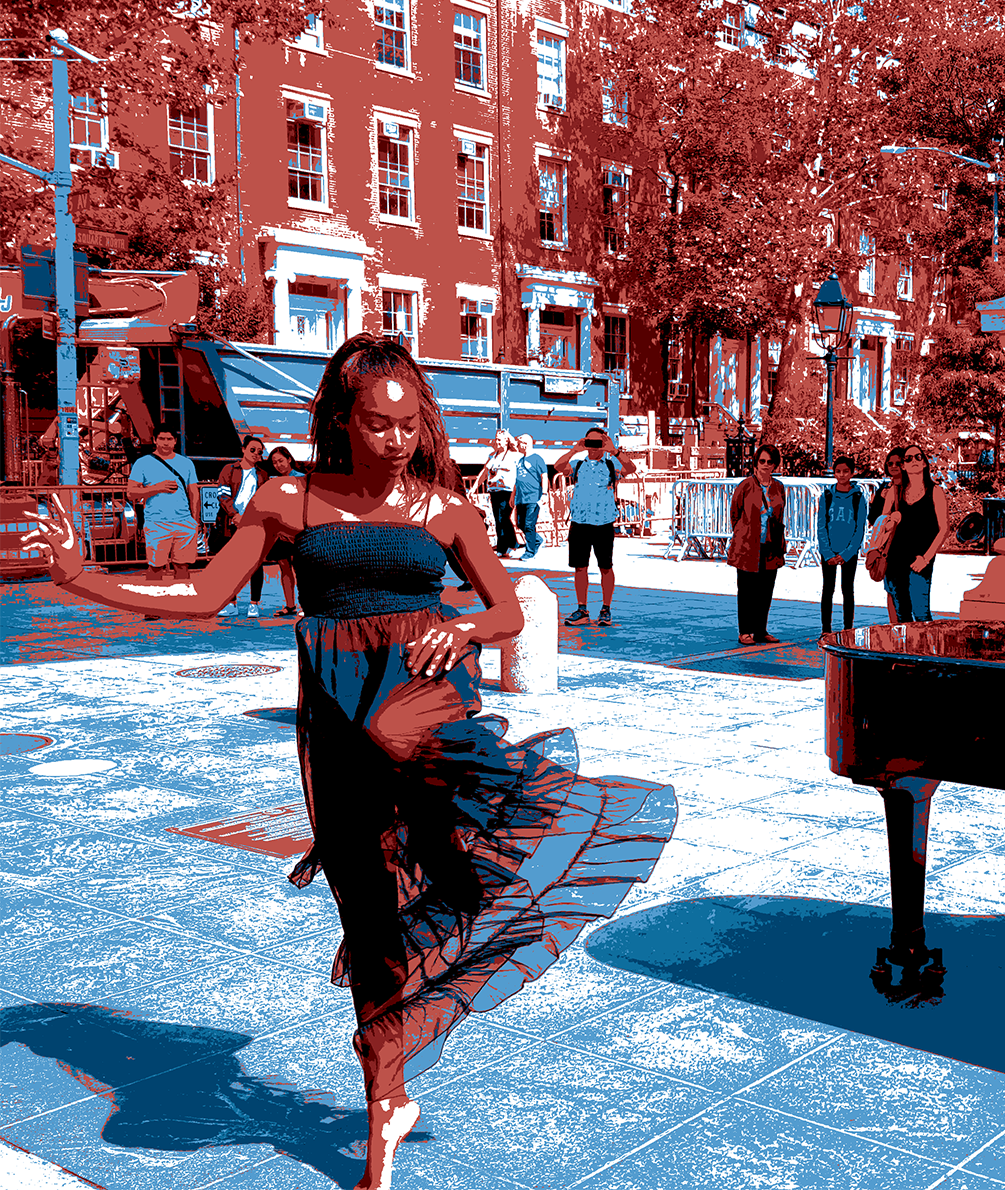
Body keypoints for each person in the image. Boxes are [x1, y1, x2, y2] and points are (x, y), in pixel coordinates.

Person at [23, 334, 676, 1190]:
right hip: (336, 728)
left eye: (409, 425)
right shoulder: (287, 501)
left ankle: (458, 896)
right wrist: (81, 579)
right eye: (377, 425)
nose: (396, 440)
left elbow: (509, 610)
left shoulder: (445, 511)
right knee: (369, 913)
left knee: (444, 847)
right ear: (341, 419)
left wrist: (466, 627)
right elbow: (202, 594)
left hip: (425, 712)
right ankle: (385, 1103)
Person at [554, 427, 637, 627]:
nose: (593, 447)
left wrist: (614, 450)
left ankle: (605, 609)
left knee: (605, 567)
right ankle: (582, 609)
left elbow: (631, 468)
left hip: (603, 523)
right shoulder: (578, 463)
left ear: (604, 442)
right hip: (580, 523)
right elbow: (558, 467)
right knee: (580, 567)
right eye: (589, 442)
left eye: (597, 442)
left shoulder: (611, 464)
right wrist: (574, 450)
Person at [125, 425, 201, 594]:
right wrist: (157, 488)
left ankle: (180, 604)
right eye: (161, 439)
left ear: (175, 441)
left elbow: (194, 492)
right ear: (154, 440)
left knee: (182, 566)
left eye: (169, 439)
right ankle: (153, 605)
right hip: (157, 523)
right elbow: (131, 493)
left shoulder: (186, 463)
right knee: (155, 566)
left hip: (184, 522)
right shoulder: (143, 463)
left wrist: (195, 521)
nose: (165, 443)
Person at [882, 444, 951, 623]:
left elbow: (944, 529)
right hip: (896, 560)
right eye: (909, 458)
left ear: (925, 464)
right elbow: (882, 527)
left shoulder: (935, 491)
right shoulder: (894, 492)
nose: (914, 461)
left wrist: (926, 558)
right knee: (902, 616)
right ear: (903, 466)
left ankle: (926, 652)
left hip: (919, 560)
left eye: (918, 457)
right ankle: (905, 651)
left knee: (921, 615)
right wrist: (892, 520)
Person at [727, 443, 787, 645]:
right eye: (762, 461)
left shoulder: (779, 487)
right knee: (746, 590)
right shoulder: (746, 485)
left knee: (766, 590)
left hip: (771, 545)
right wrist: (742, 532)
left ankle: (761, 630)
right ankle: (745, 630)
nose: (766, 465)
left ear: (775, 464)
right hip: (747, 544)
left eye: (770, 462)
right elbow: (734, 513)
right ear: (756, 462)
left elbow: (780, 513)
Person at [213, 435, 268, 617]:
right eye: (252, 450)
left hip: (254, 524)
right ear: (243, 449)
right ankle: (231, 602)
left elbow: (265, 501)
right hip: (231, 523)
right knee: (230, 564)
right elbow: (222, 494)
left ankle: (254, 603)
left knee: (255, 564)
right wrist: (234, 515)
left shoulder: (262, 474)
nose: (255, 454)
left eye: (259, 452)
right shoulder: (228, 470)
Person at [818, 455, 867, 636]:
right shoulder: (827, 496)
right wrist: (827, 552)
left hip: (849, 552)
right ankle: (826, 629)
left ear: (852, 472)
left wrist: (847, 553)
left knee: (847, 589)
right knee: (827, 589)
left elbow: (859, 529)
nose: (842, 475)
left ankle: (847, 628)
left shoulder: (858, 498)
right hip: (828, 551)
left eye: (846, 471)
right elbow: (821, 525)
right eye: (838, 471)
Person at [868, 446, 905, 624]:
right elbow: (873, 519)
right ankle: (895, 627)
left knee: (906, 591)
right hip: (888, 547)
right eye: (890, 463)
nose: (894, 466)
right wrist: (881, 500)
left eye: (898, 463)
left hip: (906, 545)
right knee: (890, 589)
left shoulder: (913, 489)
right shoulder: (884, 489)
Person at [266, 446, 305, 616]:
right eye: (274, 463)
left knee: (302, 568)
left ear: (289, 459)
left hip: (299, 531)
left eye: (281, 461)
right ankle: (290, 606)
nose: (278, 465)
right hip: (281, 532)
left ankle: (305, 605)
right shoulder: (273, 481)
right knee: (284, 566)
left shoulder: (302, 479)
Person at [472, 430, 519, 557]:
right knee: (498, 519)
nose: (496, 442)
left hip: (507, 491)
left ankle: (508, 546)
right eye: (496, 439)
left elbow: (519, 475)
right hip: (494, 491)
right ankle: (507, 545)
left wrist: (517, 492)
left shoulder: (514, 456)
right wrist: (474, 486)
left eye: (499, 440)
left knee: (503, 518)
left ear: (506, 441)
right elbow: (484, 472)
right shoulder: (493, 456)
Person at [513, 433, 548, 560]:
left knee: (529, 524)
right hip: (521, 498)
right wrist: (513, 497)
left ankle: (530, 552)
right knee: (521, 524)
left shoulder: (537, 459)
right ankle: (537, 540)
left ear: (525, 444)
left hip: (533, 498)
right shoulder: (520, 460)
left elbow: (544, 476)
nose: (517, 445)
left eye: (519, 443)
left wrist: (544, 494)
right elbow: (517, 481)